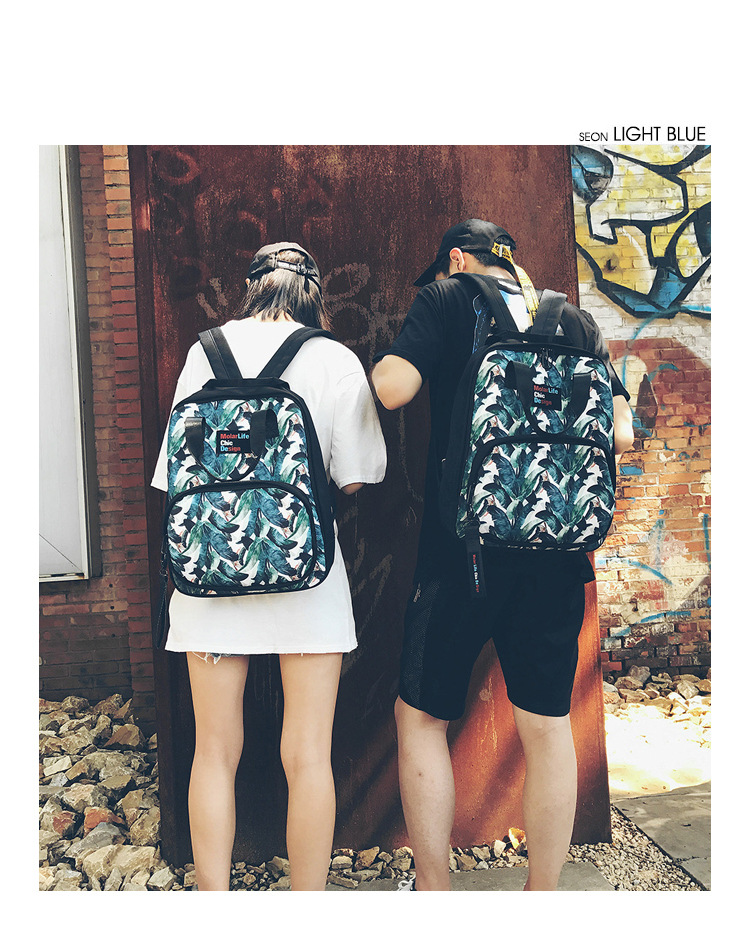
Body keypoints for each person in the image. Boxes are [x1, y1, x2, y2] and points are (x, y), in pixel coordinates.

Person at [371, 219, 634, 891]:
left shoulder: (445, 298)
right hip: (558, 556)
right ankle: (541, 895)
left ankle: (435, 891)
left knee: (420, 718)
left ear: (457, 259)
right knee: (546, 726)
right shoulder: (573, 321)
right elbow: (622, 435)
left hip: (462, 555)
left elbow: (393, 388)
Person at [151, 243, 387, 891]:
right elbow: (358, 476)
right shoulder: (333, 358)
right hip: (306, 578)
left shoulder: (204, 353)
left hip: (209, 576)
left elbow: (173, 476)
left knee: (213, 752)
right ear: (313, 294)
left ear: (251, 287)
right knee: (308, 755)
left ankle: (214, 901)